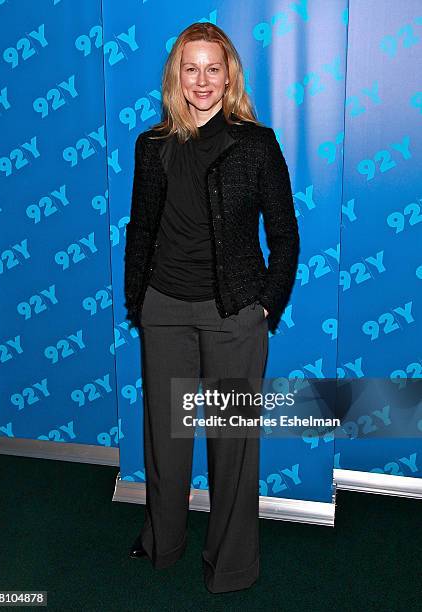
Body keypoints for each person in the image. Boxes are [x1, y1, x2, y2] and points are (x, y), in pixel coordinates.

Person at [124, 22, 300, 594]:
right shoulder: (151, 146)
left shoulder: (256, 144)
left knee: (233, 451)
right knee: (165, 445)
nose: (201, 81)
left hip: (233, 317)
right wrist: (138, 301)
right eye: (190, 68)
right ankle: (163, 543)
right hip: (164, 311)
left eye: (213, 68)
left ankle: (231, 566)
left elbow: (285, 236)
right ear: (177, 75)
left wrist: (264, 308)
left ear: (230, 77)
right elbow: (142, 228)